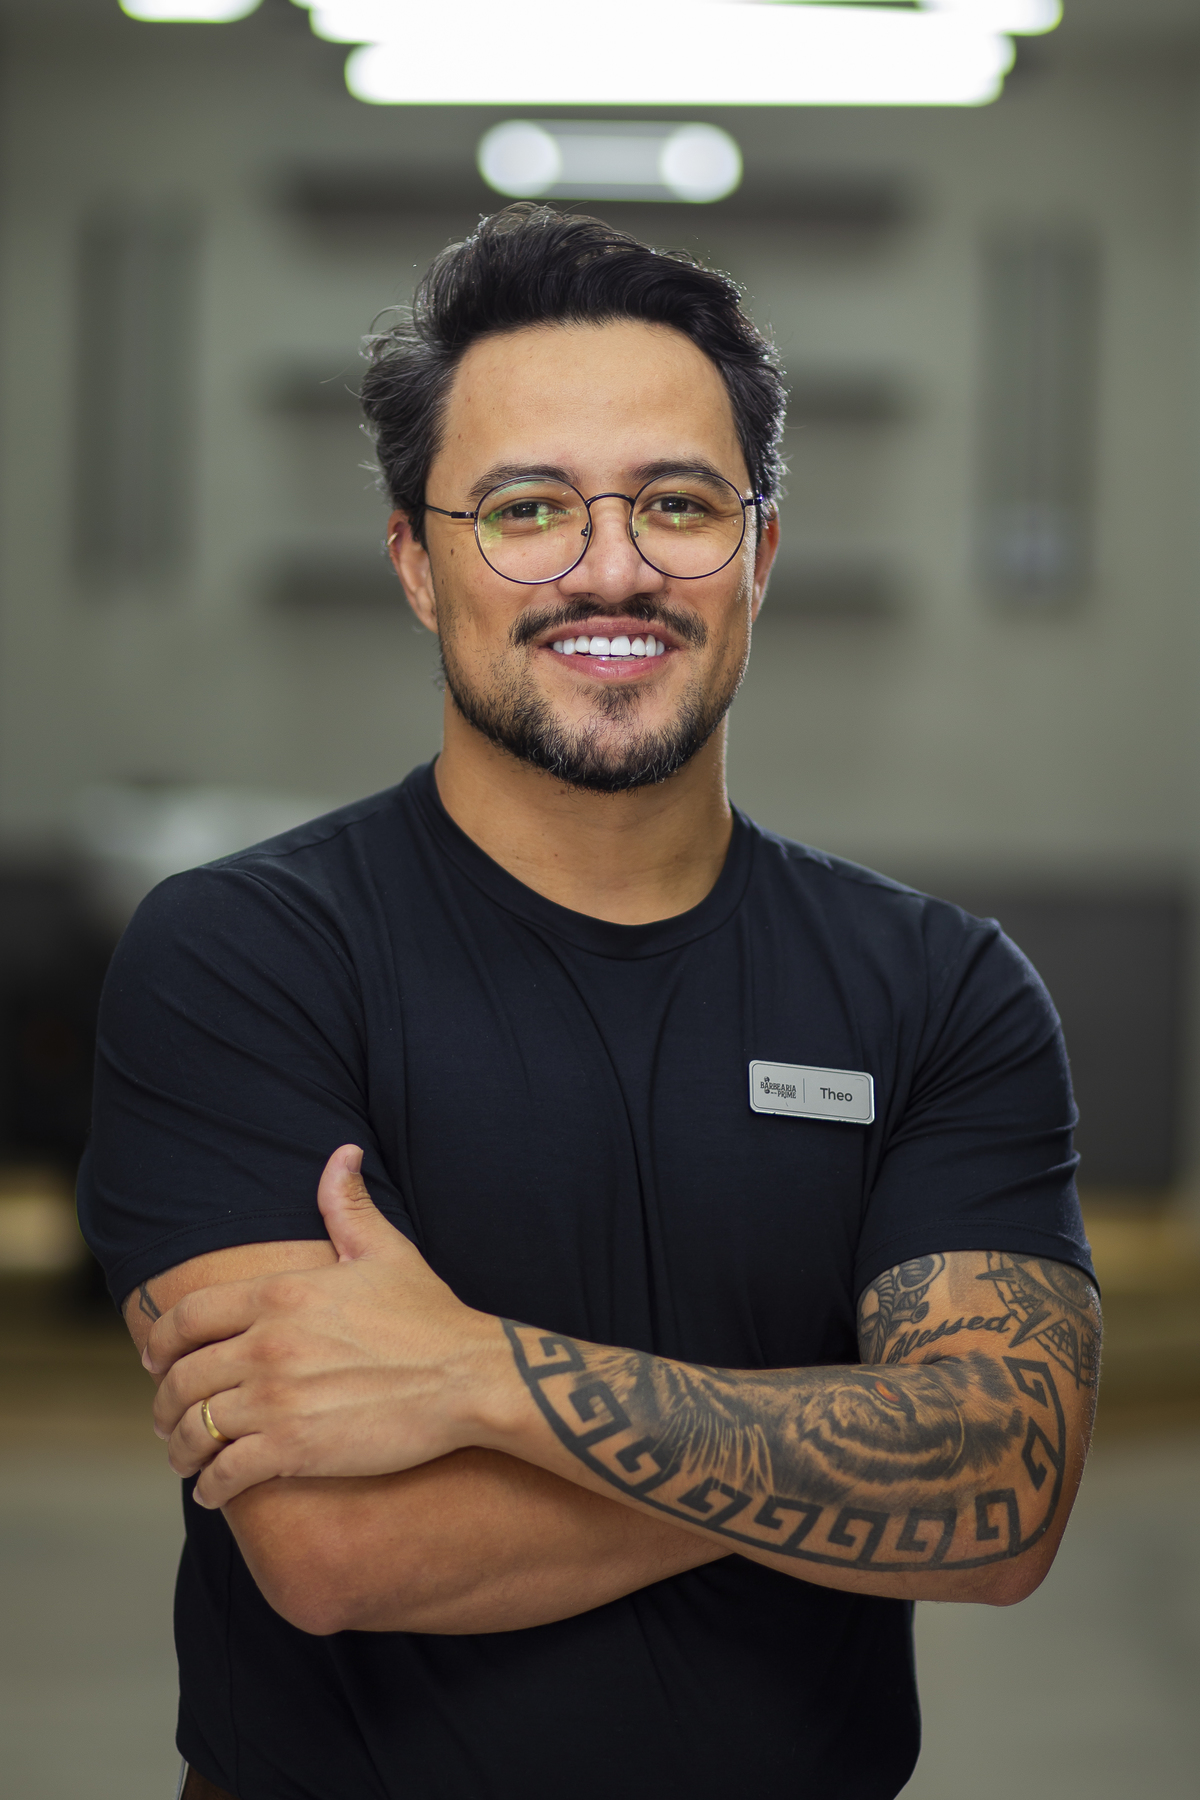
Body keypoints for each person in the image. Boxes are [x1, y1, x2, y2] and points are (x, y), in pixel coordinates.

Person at [79, 204, 1100, 1800]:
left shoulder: (941, 990)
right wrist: (852, 1455)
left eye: (679, 505)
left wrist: (470, 1377)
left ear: (759, 556)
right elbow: (337, 1549)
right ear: (419, 566)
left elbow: (1004, 1504)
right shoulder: (243, 958)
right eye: (527, 509)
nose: (610, 568)